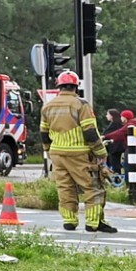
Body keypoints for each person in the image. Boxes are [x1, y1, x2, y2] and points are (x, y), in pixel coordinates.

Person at [40, 72, 113, 234]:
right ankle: (93, 222)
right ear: (75, 87)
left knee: (65, 187)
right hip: (79, 154)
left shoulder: (47, 106)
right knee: (92, 187)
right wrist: (101, 153)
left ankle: (69, 220)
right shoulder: (81, 104)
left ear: (59, 87)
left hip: (57, 154)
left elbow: (44, 133)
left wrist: (48, 151)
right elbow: (90, 132)